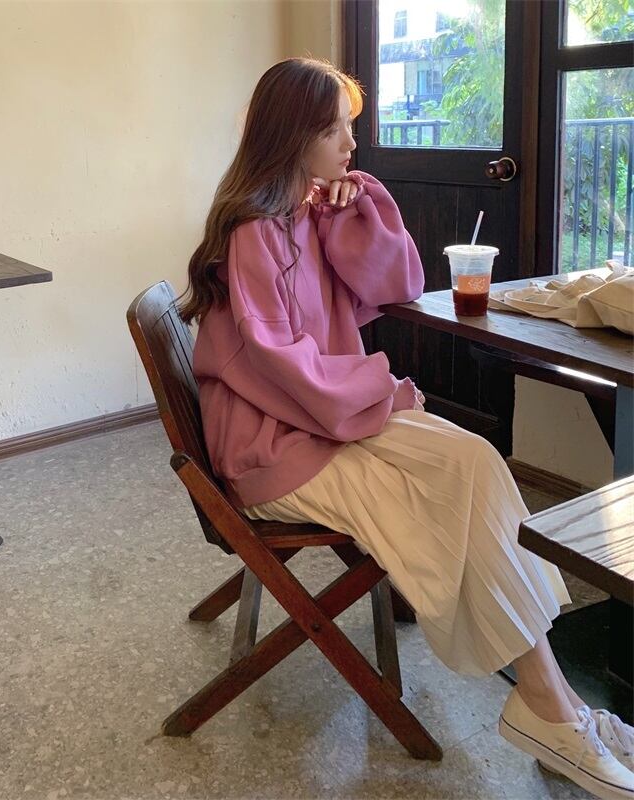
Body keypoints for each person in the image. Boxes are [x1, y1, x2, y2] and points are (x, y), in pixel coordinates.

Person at [177, 57, 634, 800]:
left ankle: (556, 702)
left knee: (474, 461)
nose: (350, 143)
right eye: (335, 130)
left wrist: (357, 208)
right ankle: (555, 711)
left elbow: (395, 286)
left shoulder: (305, 215)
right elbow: (278, 363)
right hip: (274, 445)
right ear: (293, 136)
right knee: (444, 489)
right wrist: (379, 391)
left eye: (349, 128)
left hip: (316, 419)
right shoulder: (255, 232)